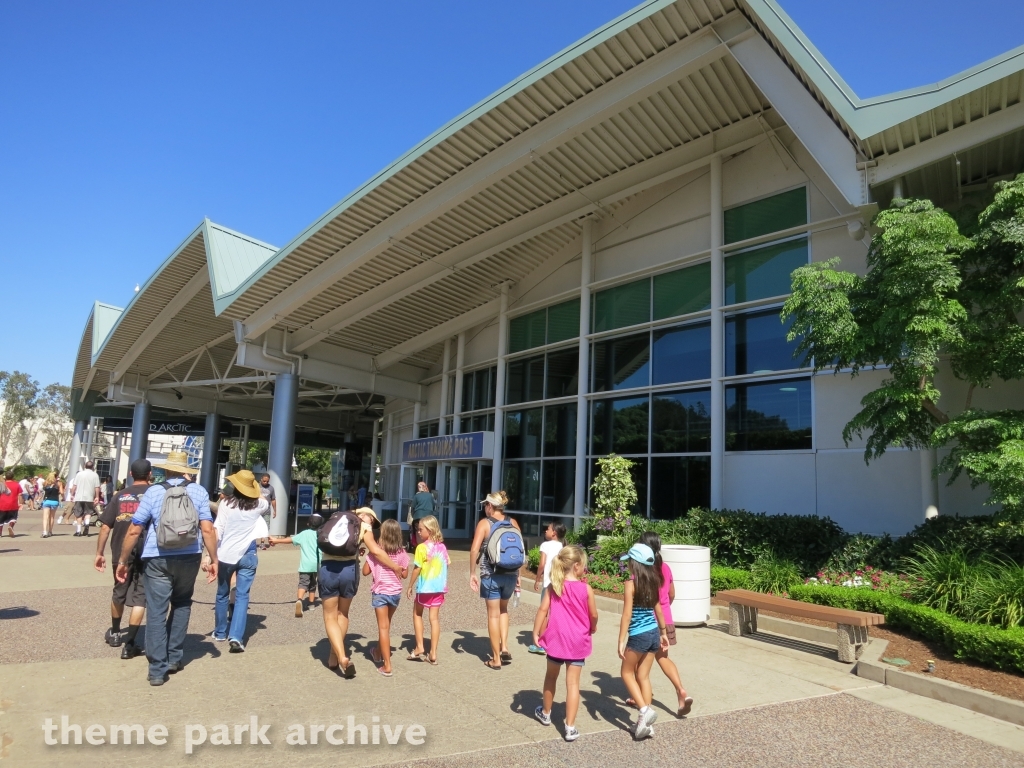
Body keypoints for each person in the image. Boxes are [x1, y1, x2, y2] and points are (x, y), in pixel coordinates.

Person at [116, 450, 219, 686]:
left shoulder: (153, 492)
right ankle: (174, 657)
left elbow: (134, 529)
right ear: (185, 471)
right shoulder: (198, 491)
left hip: (157, 557)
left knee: (156, 610)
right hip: (189, 556)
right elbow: (207, 529)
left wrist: (123, 560)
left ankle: (157, 669)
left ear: (165, 470)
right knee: (182, 603)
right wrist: (214, 559)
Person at [319, 506, 404, 679]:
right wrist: (395, 566)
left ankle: (339, 656)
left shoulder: (335, 518)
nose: (371, 523)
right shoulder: (362, 526)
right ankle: (336, 656)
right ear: (363, 515)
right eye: (371, 519)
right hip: (348, 570)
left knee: (330, 617)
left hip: (328, 569)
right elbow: (376, 550)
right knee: (343, 614)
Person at [620, 531, 694, 718]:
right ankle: (680, 689)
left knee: (637, 667)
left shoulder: (641, 573)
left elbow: (627, 613)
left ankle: (641, 703)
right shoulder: (665, 567)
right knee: (663, 659)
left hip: (645, 624)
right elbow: (671, 594)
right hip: (664, 621)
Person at [532, 546, 598, 742]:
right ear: (576, 566)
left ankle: (546, 712)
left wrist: (536, 632)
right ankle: (570, 727)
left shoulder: (554, 586)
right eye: (583, 565)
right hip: (577, 640)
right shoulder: (586, 589)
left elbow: (543, 610)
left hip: (556, 638)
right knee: (573, 684)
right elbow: (593, 614)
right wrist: (593, 626)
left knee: (551, 677)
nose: (584, 568)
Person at [94, 459, 151, 659]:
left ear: (131, 474)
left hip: (120, 551)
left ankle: (116, 632)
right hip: (146, 550)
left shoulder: (120, 495)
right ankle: (131, 643)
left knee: (119, 590)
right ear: (150, 474)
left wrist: (99, 552)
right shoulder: (154, 494)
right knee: (140, 596)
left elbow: (105, 526)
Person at [211, 470, 269, 653]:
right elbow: (262, 497)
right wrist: (254, 487)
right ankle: (236, 637)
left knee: (222, 593)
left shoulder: (226, 504)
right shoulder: (259, 504)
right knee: (242, 595)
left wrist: (210, 556)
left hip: (226, 554)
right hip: (249, 554)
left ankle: (220, 632)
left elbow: (218, 530)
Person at [618, 543, 670, 740]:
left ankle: (643, 711)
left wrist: (621, 640)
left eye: (630, 562)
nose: (628, 565)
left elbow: (626, 615)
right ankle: (646, 724)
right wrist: (663, 633)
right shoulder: (654, 583)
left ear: (635, 564)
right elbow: (659, 610)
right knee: (643, 676)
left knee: (626, 673)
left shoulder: (630, 585)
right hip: (654, 633)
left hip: (638, 635)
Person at [469, 491, 522, 670]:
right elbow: (519, 550)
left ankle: (496, 659)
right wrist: (518, 574)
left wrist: (472, 573)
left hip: (491, 574)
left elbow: (474, 550)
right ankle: (504, 647)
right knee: (504, 610)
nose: (485, 508)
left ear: (490, 506)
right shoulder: (513, 522)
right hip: (511, 574)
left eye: (486, 505)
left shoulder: (485, 523)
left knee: (493, 615)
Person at [363, 519, 409, 676]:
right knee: (386, 626)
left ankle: (387, 665)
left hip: (381, 592)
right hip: (395, 593)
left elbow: (365, 571)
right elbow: (404, 574)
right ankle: (377, 652)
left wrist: (368, 555)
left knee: (383, 628)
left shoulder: (376, 551)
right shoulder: (401, 553)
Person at [406, 515, 449, 667]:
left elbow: (417, 568)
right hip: (439, 588)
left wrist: (410, 585)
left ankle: (419, 646)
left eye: (420, 529)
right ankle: (433, 653)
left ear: (429, 530)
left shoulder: (421, 548)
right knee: (434, 619)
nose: (418, 532)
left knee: (417, 613)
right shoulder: (442, 547)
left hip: (425, 588)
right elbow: (447, 563)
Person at [269, 521, 321, 618]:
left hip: (305, 565)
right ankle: (311, 604)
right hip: (317, 564)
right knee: (313, 584)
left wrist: (276, 540)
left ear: (308, 524)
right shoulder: (321, 534)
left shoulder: (304, 533)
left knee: (303, 583)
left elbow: (291, 539)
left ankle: (299, 600)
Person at [529, 521, 566, 654]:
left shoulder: (545, 545)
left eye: (548, 529)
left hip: (548, 583)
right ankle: (557, 641)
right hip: (560, 583)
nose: (546, 531)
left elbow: (542, 564)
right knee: (556, 612)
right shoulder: (563, 546)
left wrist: (537, 579)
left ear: (554, 533)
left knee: (544, 612)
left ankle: (541, 643)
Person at [69, 460, 101, 537]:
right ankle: (87, 524)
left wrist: (72, 494)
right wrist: (97, 496)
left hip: (79, 496)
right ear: (93, 467)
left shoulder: (79, 474)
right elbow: (97, 487)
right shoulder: (95, 475)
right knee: (88, 512)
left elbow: (74, 486)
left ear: (84, 466)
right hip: (89, 497)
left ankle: (78, 531)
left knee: (78, 513)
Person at [409, 481, 434, 551]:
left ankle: (419, 547)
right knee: (429, 531)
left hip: (418, 515)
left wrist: (412, 515)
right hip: (428, 516)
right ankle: (429, 547)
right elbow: (433, 505)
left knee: (418, 531)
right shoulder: (430, 495)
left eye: (419, 487)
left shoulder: (417, 496)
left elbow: (413, 506)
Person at [40, 473, 61, 537]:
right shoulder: (58, 484)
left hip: (47, 501)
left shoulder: (45, 483)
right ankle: (50, 531)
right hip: (55, 501)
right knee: (52, 517)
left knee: (45, 517)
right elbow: (61, 492)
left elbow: (44, 490)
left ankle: (44, 532)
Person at [0, 472, 20, 537]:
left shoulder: (2, 484)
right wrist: (21, 503)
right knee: (13, 517)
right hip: (13, 503)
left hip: (2, 504)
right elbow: (19, 494)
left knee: (1, 519)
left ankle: (0, 532)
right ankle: (11, 526)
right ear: (13, 477)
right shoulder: (16, 484)